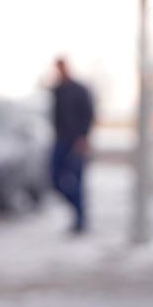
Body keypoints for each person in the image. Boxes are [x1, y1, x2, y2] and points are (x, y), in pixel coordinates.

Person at [50, 57, 94, 234]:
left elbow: (89, 114)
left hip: (77, 142)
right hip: (60, 140)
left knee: (77, 181)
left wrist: (83, 137)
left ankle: (80, 219)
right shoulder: (57, 90)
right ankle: (75, 209)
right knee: (54, 179)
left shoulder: (79, 90)